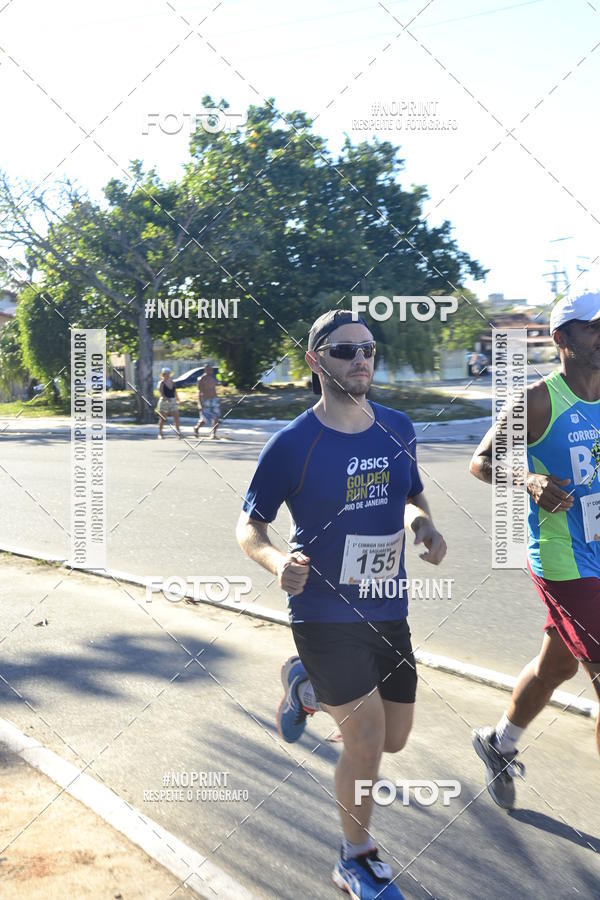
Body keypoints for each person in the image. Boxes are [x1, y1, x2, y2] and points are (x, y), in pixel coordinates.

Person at [236, 309, 447, 899]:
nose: (361, 360)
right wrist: (278, 563)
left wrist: (423, 525)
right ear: (315, 361)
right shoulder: (292, 444)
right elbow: (248, 526)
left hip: (387, 606)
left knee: (394, 738)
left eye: (369, 349)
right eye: (345, 350)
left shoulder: (399, 427)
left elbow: (407, 493)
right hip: (323, 611)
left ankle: (306, 689)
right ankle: (356, 856)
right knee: (366, 740)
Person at [469, 292, 600, 809]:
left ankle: (497, 742)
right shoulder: (539, 400)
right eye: (592, 327)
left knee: (557, 668)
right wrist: (527, 478)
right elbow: (480, 462)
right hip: (563, 557)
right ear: (561, 338)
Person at [194, 364, 221, 439]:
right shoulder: (201, 379)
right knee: (204, 419)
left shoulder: (212, 378)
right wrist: (200, 403)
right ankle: (196, 428)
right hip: (205, 400)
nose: (211, 371)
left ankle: (213, 434)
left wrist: (217, 399)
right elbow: (199, 392)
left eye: (211, 370)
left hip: (214, 400)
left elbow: (213, 390)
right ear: (205, 370)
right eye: (209, 370)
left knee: (216, 418)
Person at [156, 367, 182, 439]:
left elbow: (175, 392)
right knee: (163, 418)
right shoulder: (161, 383)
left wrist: (178, 400)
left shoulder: (172, 382)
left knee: (176, 417)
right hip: (164, 402)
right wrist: (166, 399)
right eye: (165, 374)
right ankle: (160, 433)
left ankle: (178, 433)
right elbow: (161, 393)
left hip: (173, 401)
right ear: (163, 375)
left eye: (168, 374)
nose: (167, 375)